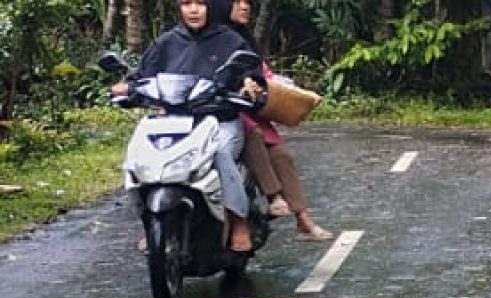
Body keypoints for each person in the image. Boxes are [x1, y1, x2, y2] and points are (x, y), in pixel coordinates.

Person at [114, 0, 261, 252]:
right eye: (186, 3)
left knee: (220, 154)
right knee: (138, 158)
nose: (193, 10)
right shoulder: (166, 43)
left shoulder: (230, 41)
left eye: (200, 4)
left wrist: (249, 86)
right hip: (174, 121)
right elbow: (141, 77)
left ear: (212, 7)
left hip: (219, 121)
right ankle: (151, 222)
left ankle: (239, 222)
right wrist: (126, 87)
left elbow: (252, 74)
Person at [228, 0, 333, 241]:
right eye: (236, 2)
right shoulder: (208, 37)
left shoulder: (241, 38)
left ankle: (303, 218)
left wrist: (263, 85)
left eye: (246, 2)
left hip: (246, 107)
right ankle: (274, 196)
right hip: (222, 112)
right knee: (251, 134)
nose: (245, 7)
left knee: (281, 153)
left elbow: (258, 70)